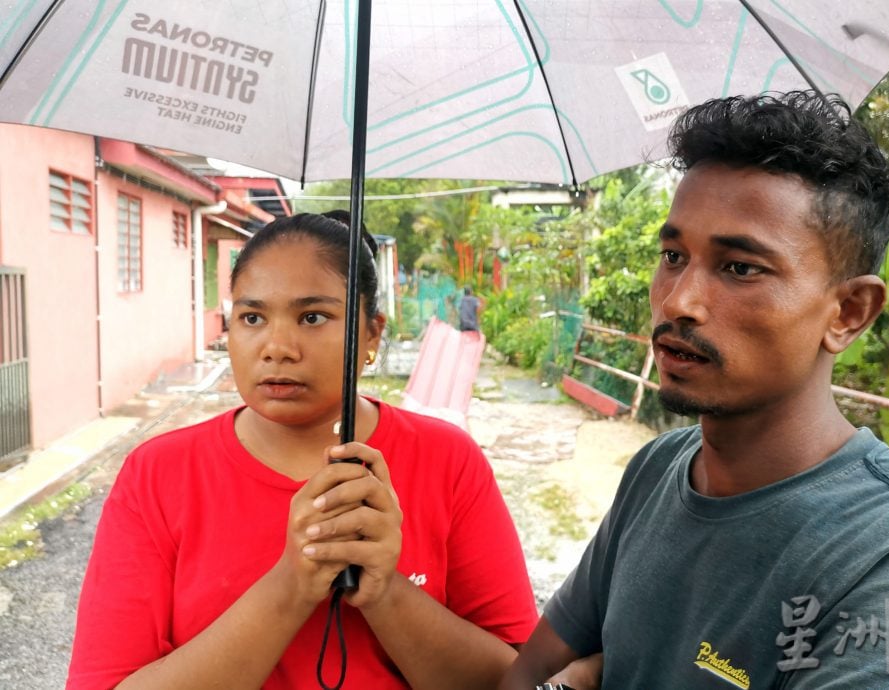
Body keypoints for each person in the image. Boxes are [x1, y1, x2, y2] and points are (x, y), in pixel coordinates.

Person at [500, 92, 889, 688]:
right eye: (673, 255)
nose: (678, 301)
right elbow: (528, 675)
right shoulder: (659, 469)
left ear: (848, 311)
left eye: (740, 268)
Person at [67, 213, 538, 689]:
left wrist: (385, 593)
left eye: (312, 317)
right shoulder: (158, 474)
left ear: (371, 333)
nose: (277, 347)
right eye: (252, 317)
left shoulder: (447, 461)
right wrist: (291, 585)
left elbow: (519, 679)